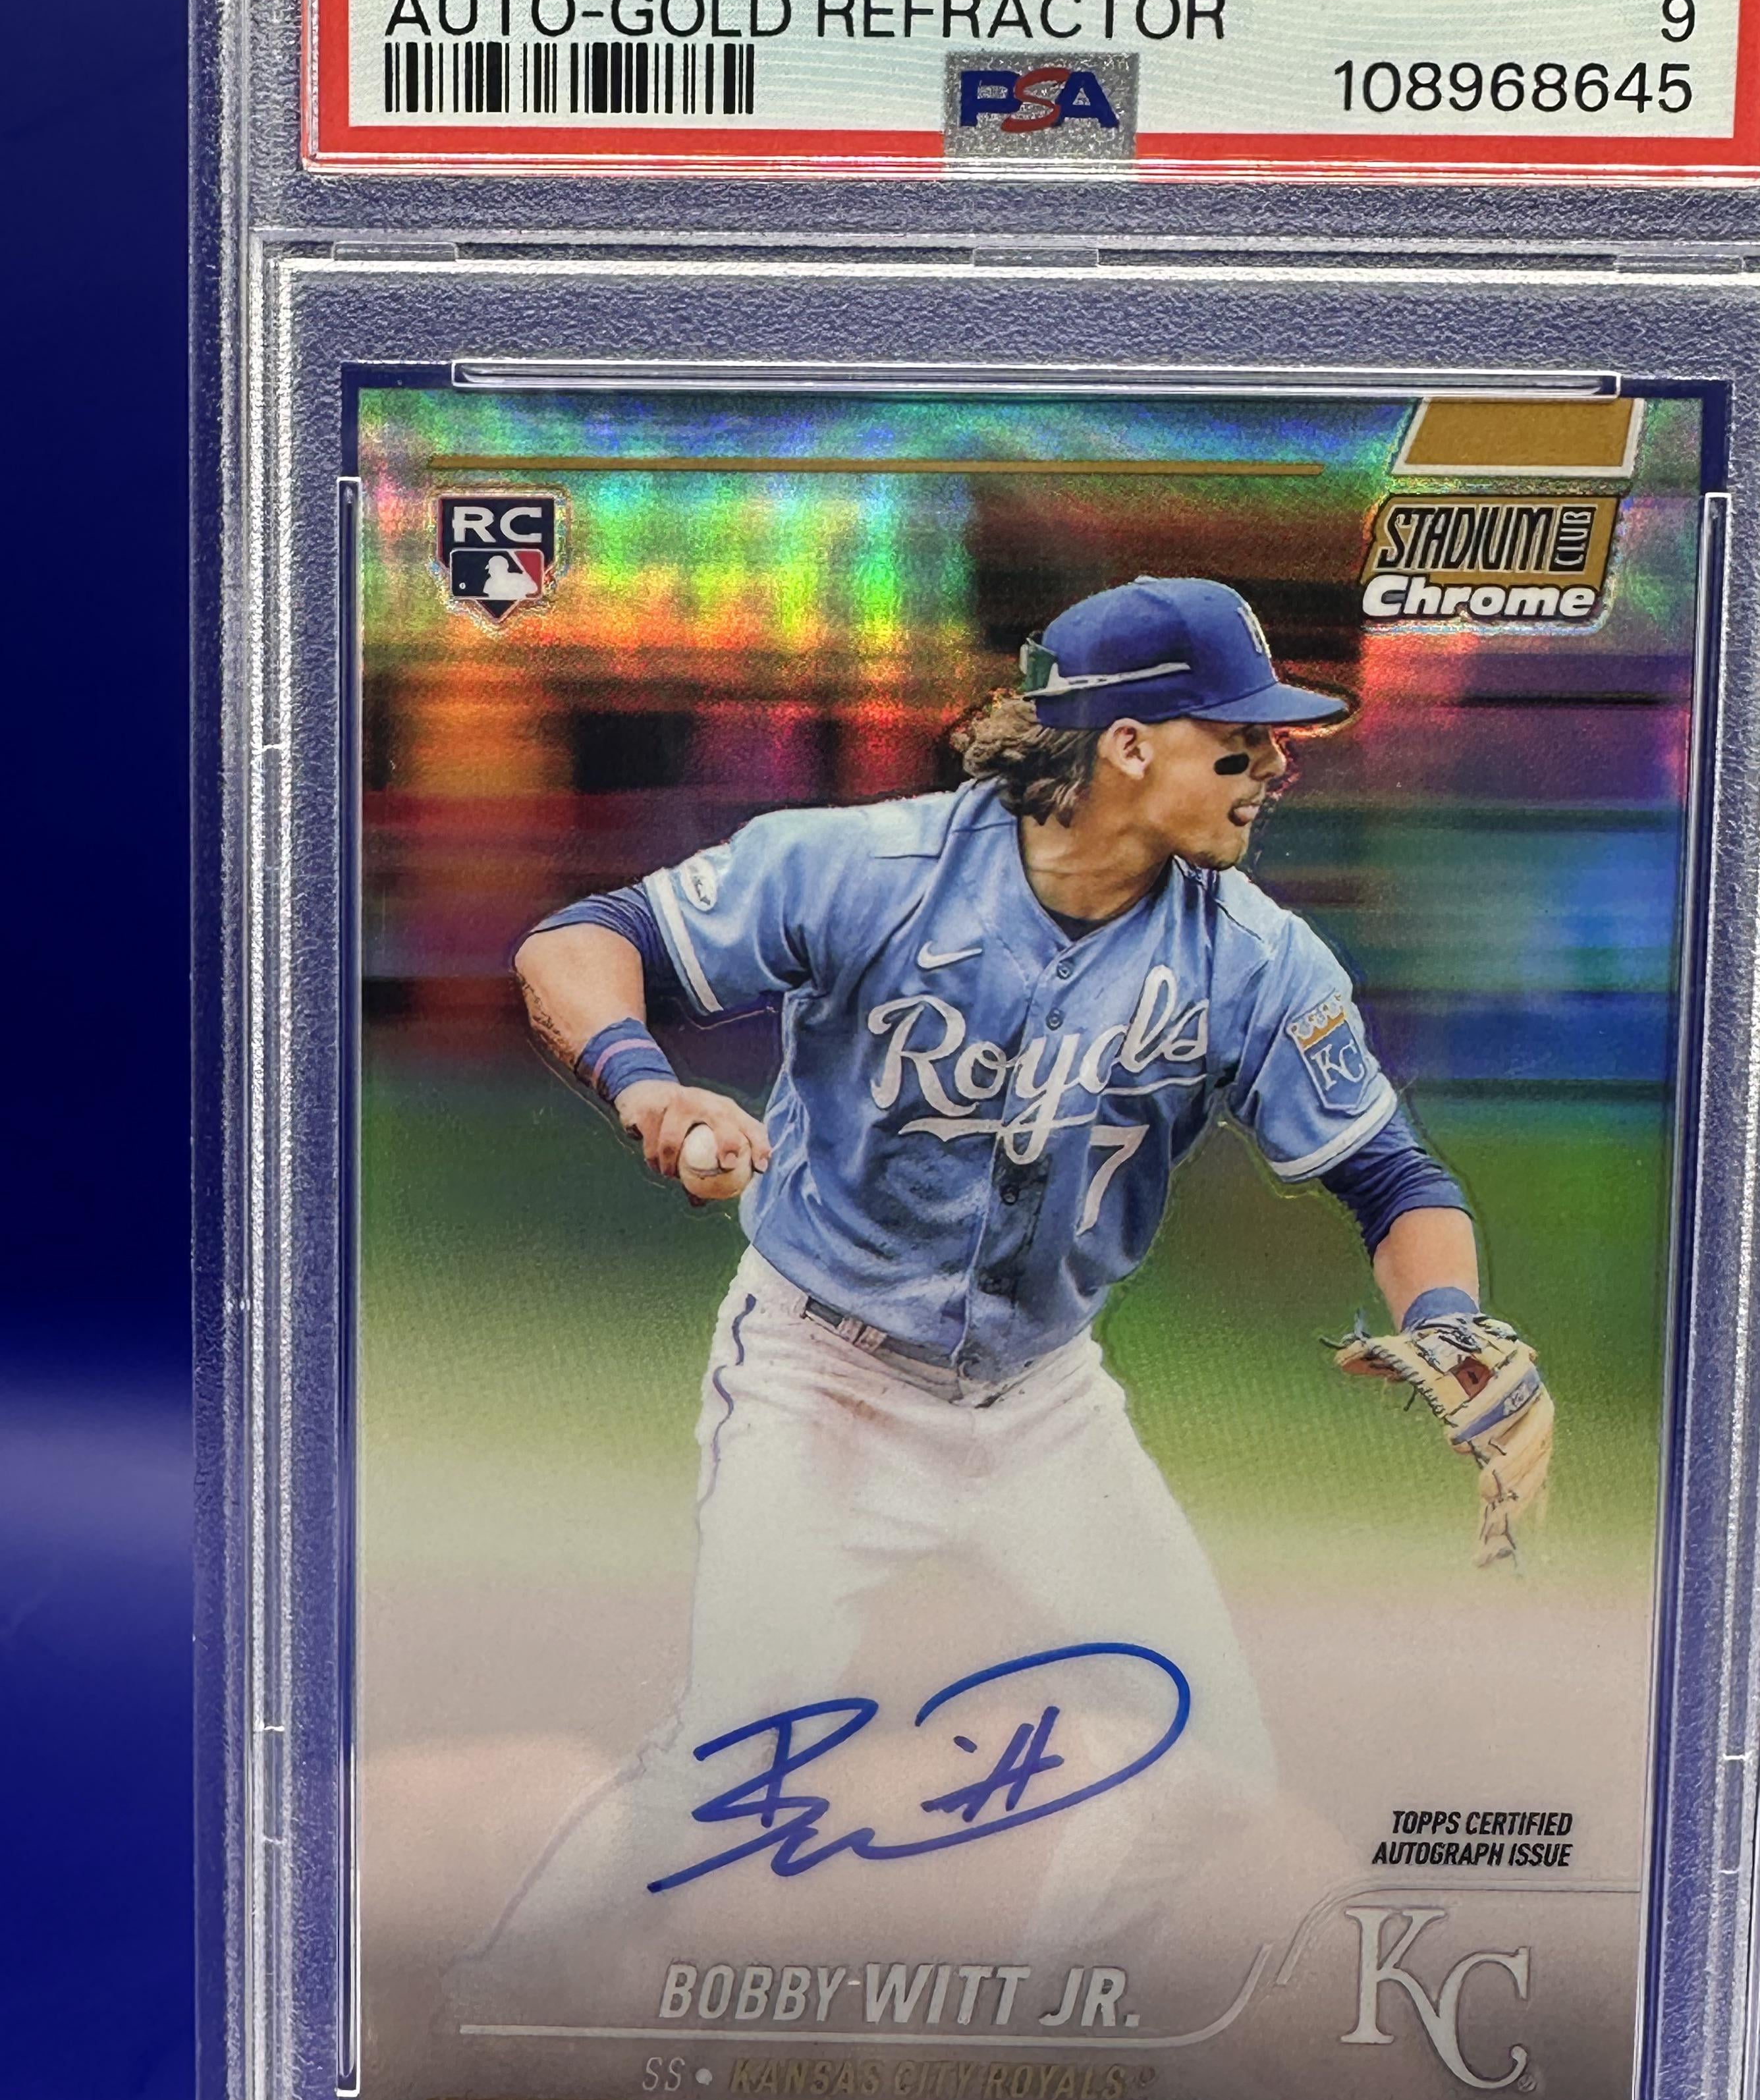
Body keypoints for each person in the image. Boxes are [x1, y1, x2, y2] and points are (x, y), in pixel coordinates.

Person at [466, 575, 1551, 2012]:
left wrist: (1449, 1325)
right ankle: (495, 1998)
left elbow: (1393, 1178)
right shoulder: (871, 869)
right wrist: (647, 1086)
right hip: (825, 1381)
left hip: (1043, 1404)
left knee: (1211, 1770)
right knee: (726, 1768)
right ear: (1129, 747)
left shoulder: (1252, 957)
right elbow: (576, 944)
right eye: (1242, 740)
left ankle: (1033, 2015)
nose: (1275, 767)